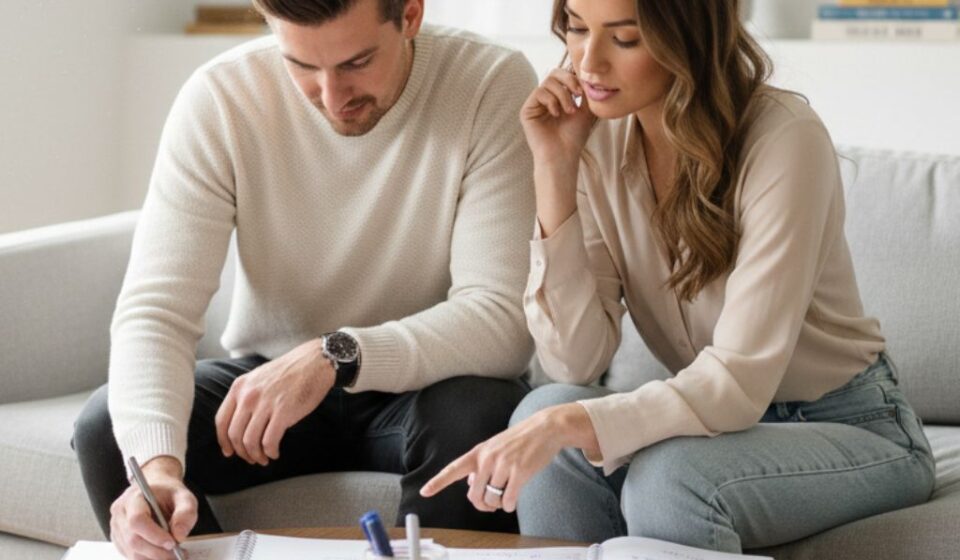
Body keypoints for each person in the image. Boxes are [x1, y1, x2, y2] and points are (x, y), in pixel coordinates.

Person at [421, 0, 936, 552]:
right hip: (715, 427)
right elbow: (575, 360)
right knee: (540, 411)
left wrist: (570, 424)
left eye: (624, 39)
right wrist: (554, 169)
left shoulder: (785, 139)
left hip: (853, 427)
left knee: (669, 479)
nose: (588, 62)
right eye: (575, 28)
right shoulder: (595, 140)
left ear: (688, 41)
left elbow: (738, 382)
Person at [73, 0, 538, 557]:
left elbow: (502, 318)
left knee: (480, 414)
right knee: (110, 427)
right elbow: (156, 312)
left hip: (427, 389)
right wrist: (157, 469)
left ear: (410, 15)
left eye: (357, 62)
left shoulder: (488, 81)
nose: (332, 97)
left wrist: (335, 355)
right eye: (301, 66)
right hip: (269, 393)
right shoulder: (222, 98)